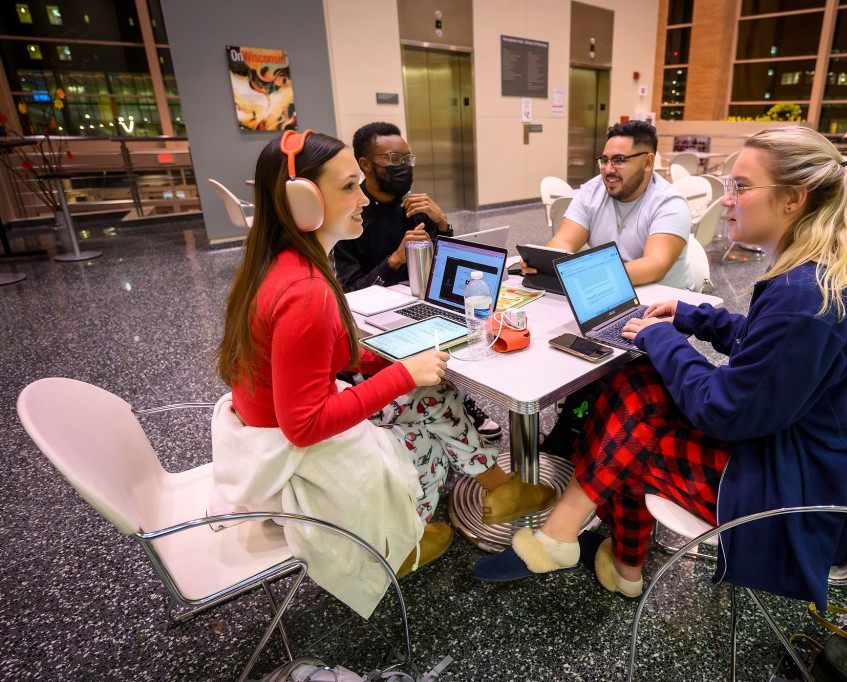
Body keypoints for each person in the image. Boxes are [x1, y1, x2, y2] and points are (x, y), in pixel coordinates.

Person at [474, 127, 847, 609]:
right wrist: (693, 317)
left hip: (801, 500)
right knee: (634, 382)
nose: (726, 199)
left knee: (624, 440)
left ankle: (576, 542)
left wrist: (661, 338)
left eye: (740, 186)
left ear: (793, 200)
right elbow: (764, 352)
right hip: (806, 455)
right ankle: (607, 556)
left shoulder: (804, 299)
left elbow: (725, 411)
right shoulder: (813, 275)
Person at [212, 130, 555, 618]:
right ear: (304, 200)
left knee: (434, 397)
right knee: (432, 430)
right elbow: (304, 425)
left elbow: (329, 354)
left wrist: (389, 364)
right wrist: (402, 375)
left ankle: (498, 490)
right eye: (351, 186)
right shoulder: (306, 291)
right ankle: (401, 546)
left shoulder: (282, 265)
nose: (364, 197)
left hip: (266, 436)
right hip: (296, 461)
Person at [332, 121, 501, 440]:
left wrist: (444, 225)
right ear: (365, 164)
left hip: (417, 305)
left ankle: (457, 401)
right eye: (393, 159)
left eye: (407, 159)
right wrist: (394, 259)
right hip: (373, 320)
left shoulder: (414, 207)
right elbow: (351, 292)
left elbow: (447, 273)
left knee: (463, 332)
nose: (403, 168)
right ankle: (441, 404)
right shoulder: (352, 216)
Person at [524, 120, 693, 290]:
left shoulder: (669, 203)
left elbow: (655, 265)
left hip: (665, 301)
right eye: (604, 160)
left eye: (619, 160)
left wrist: (588, 275)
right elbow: (564, 241)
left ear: (647, 163)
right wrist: (544, 262)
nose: (608, 169)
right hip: (610, 291)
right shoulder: (591, 192)